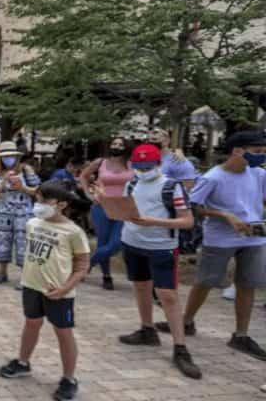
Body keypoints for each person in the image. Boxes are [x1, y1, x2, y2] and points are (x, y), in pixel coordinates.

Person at [102, 144, 201, 378]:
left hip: (161, 246)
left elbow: (187, 221)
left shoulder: (171, 186)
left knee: (168, 295)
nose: (143, 170)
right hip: (133, 242)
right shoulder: (132, 183)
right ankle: (147, 329)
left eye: (148, 166)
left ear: (158, 164)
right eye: (139, 166)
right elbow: (126, 209)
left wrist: (154, 222)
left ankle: (180, 347)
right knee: (140, 286)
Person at [172, 131, 266, 361]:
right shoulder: (213, 177)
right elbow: (194, 206)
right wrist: (224, 215)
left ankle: (241, 335)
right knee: (205, 282)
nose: (261, 157)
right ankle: (186, 322)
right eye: (257, 152)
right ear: (237, 150)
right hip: (220, 239)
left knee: (247, 285)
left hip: (253, 237)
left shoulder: (259, 174)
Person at [0, 180, 90, 401]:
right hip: (31, 287)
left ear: (61, 204)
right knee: (31, 323)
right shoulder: (33, 223)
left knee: (63, 333)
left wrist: (64, 288)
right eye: (38, 198)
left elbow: (82, 267)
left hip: (59, 293)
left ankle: (69, 378)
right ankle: (22, 362)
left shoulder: (74, 232)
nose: (38, 204)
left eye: (43, 200)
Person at [79, 137, 132, 290]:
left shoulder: (132, 164)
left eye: (120, 144)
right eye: (114, 143)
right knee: (103, 241)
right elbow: (83, 176)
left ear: (126, 147)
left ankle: (86, 264)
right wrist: (88, 194)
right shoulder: (100, 162)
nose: (116, 146)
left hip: (123, 206)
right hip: (101, 206)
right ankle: (106, 275)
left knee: (116, 243)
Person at [0, 141, 41, 286]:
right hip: (2, 214)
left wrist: (22, 187)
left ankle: (24, 277)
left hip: (23, 214)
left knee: (23, 243)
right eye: (5, 156)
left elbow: (38, 191)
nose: (8, 159)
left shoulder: (26, 170)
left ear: (16, 156)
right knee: (2, 242)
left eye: (11, 155)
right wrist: (2, 183)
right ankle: (2, 272)